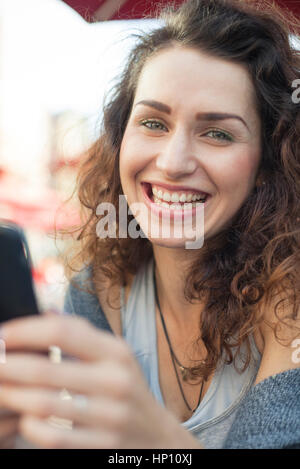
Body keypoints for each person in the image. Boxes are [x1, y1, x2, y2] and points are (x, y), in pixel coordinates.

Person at [0, 0, 299, 449]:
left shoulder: (289, 304)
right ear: (121, 138)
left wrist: (158, 444)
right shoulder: (96, 289)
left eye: (217, 132)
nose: (173, 163)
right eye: (154, 123)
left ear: (267, 163)